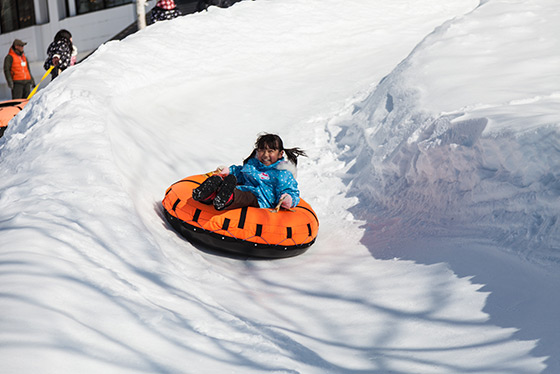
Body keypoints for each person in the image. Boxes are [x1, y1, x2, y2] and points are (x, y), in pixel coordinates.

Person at [192, 133, 307, 211]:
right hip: (243, 189)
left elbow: (291, 190)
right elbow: (240, 172)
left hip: (260, 199)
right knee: (230, 184)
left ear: (280, 154)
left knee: (243, 196)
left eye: (270, 151)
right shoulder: (253, 165)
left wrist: (288, 199)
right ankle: (207, 194)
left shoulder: (283, 173)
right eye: (262, 150)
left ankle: (225, 199)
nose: (265, 155)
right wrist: (228, 171)